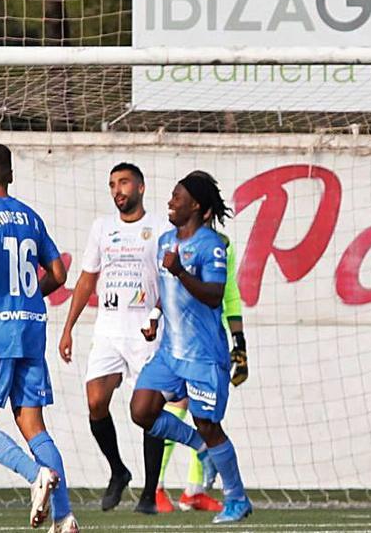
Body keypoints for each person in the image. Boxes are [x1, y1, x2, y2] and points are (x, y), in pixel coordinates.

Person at [0, 143, 77, 532]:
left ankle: (35, 474)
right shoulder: (31, 217)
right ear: (10, 176)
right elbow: (58, 273)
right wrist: (29, 297)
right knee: (33, 423)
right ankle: (65, 516)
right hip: (31, 328)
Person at [129, 171, 253, 524]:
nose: (170, 202)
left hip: (203, 356)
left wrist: (182, 271)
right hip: (170, 352)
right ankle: (200, 448)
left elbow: (214, 297)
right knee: (142, 410)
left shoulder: (212, 245)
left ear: (196, 205)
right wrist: (154, 315)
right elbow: (164, 291)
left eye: (177, 197)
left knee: (209, 425)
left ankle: (237, 499)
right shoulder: (167, 239)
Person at [57, 162, 174, 513]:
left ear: (140, 187)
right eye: (112, 184)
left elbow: (170, 282)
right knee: (95, 401)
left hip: (145, 333)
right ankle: (118, 471)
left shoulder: (160, 227)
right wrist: (68, 328)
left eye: (123, 183)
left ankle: (150, 493)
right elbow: (87, 279)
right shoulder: (102, 228)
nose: (117, 190)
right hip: (108, 328)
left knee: (147, 411)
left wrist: (156, 316)